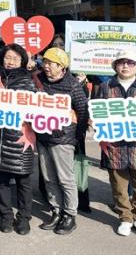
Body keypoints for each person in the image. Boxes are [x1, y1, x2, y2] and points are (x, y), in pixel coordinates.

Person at [95, 50, 136, 239]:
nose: (125, 66)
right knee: (119, 186)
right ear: (115, 66)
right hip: (115, 145)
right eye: (121, 62)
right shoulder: (106, 87)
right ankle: (125, 218)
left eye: (130, 63)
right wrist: (96, 126)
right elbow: (96, 112)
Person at [32, 48, 88, 235]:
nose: (46, 66)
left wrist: (75, 136)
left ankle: (70, 214)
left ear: (62, 67)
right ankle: (56, 210)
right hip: (43, 137)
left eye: (51, 63)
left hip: (63, 139)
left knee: (65, 179)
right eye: (45, 62)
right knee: (48, 178)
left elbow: (83, 111)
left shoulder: (72, 85)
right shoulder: (38, 80)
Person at [0, 44, 36, 235]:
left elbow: (36, 110)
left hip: (21, 138)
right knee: (1, 180)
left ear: (22, 61)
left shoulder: (29, 81)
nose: (10, 61)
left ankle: (24, 218)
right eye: (7, 57)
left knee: (23, 181)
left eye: (15, 58)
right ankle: (6, 215)